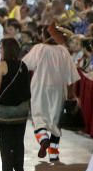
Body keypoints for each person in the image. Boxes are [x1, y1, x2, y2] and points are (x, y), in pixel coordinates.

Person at [23, 25, 79, 162]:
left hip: (39, 87)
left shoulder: (39, 48)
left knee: (38, 117)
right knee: (55, 120)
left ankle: (43, 139)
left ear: (43, 35)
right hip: (59, 89)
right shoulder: (64, 51)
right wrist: (71, 95)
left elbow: (24, 66)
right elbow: (71, 76)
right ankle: (53, 153)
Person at [0, 37, 31, 171]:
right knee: (18, 144)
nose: (0, 51)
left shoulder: (1, 65)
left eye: (1, 48)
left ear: (6, 49)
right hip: (21, 112)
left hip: (5, 114)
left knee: (6, 146)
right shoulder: (24, 65)